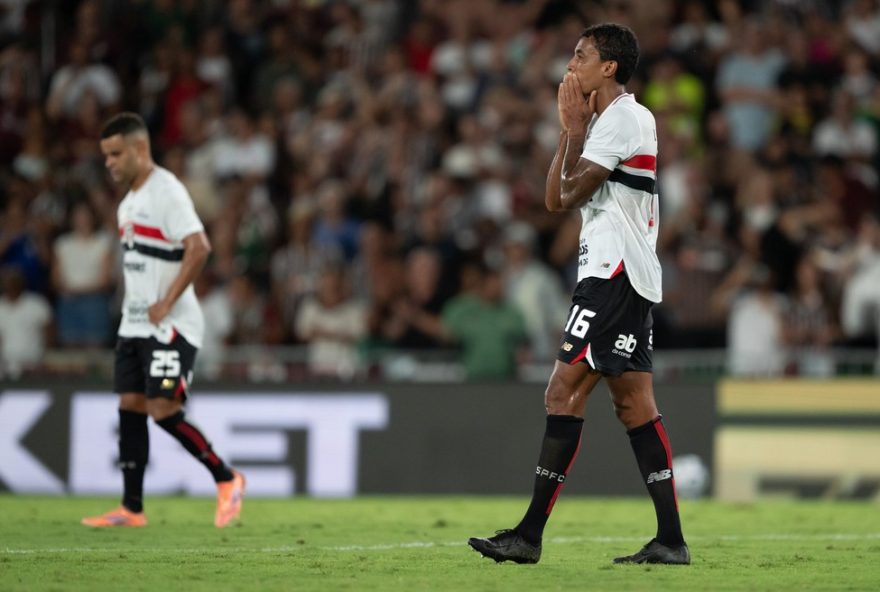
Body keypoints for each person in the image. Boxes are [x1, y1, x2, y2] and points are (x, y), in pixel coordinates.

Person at [468, 24, 690, 565]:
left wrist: (572, 129)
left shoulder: (624, 118)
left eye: (580, 55)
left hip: (614, 276)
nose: (571, 65)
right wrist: (572, 131)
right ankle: (670, 540)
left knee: (562, 392)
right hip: (620, 276)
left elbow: (566, 196)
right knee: (634, 405)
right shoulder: (605, 124)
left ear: (608, 67)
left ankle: (529, 535)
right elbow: (554, 200)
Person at [81, 112, 245, 528]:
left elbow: (199, 247)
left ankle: (226, 478)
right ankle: (131, 508)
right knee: (130, 404)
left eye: (116, 154)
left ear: (140, 148)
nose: (109, 163)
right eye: (106, 155)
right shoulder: (127, 205)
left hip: (171, 323)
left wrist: (167, 301)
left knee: (162, 407)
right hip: (134, 324)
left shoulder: (166, 191)